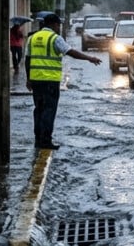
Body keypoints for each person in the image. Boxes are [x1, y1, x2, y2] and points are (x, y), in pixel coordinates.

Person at [25, 12, 102, 149]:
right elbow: (70, 52)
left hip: (36, 80)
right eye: (58, 25)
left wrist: (28, 79)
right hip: (50, 81)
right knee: (49, 110)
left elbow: (27, 59)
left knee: (39, 110)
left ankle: (38, 140)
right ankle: (46, 141)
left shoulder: (32, 38)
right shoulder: (55, 38)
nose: (59, 28)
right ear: (54, 24)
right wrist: (90, 58)